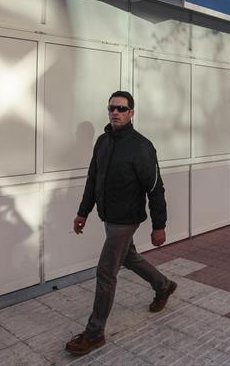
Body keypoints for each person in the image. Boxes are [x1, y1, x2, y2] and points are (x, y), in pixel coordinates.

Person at [65, 91, 177, 356]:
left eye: (121, 108)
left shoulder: (141, 146)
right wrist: (83, 212)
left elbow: (155, 187)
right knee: (129, 257)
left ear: (131, 113)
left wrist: (158, 225)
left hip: (126, 218)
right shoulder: (102, 142)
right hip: (108, 215)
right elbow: (93, 179)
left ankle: (94, 333)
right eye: (112, 108)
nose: (115, 112)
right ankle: (163, 285)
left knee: (106, 271)